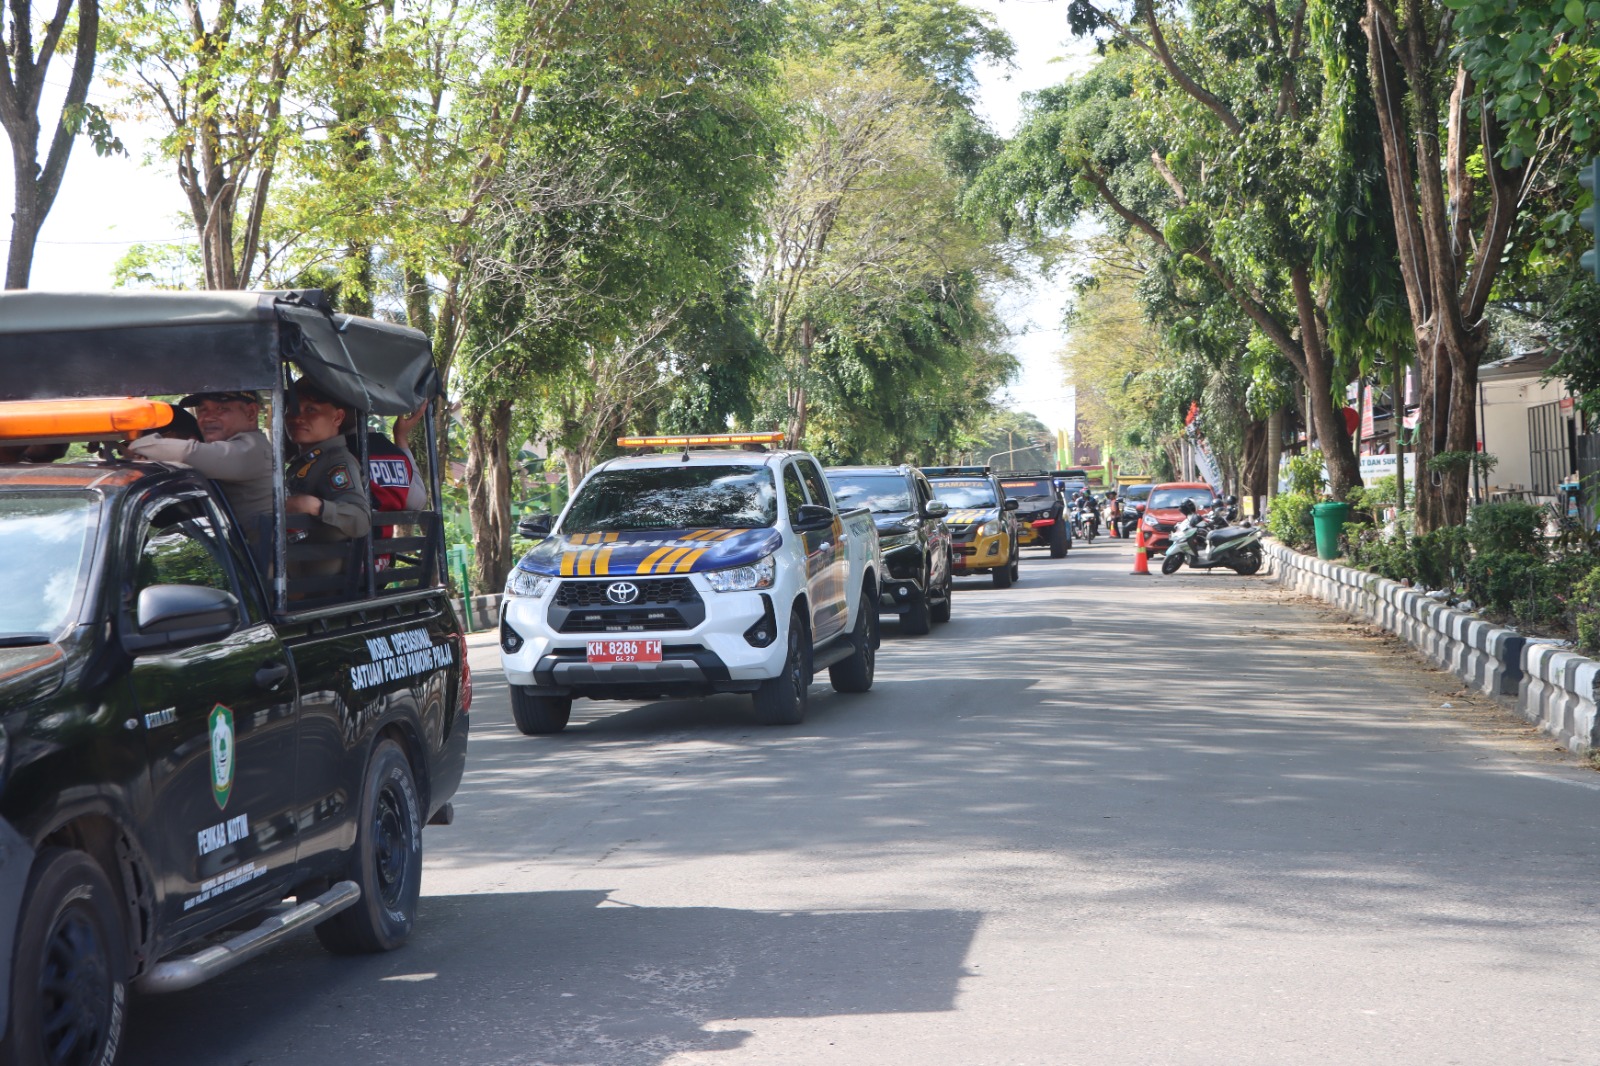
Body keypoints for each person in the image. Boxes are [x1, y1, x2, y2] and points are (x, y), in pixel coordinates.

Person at [125, 391, 274, 537]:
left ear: (251, 413)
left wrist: (133, 445)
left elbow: (187, 453)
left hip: (262, 551)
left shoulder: (253, 449)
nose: (207, 418)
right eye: (202, 410)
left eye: (221, 409)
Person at [285, 379, 371, 579]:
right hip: (298, 570)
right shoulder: (308, 461)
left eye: (311, 410)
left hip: (316, 583)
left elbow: (359, 518)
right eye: (291, 410)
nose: (297, 417)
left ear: (338, 417)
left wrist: (313, 505)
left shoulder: (337, 462)